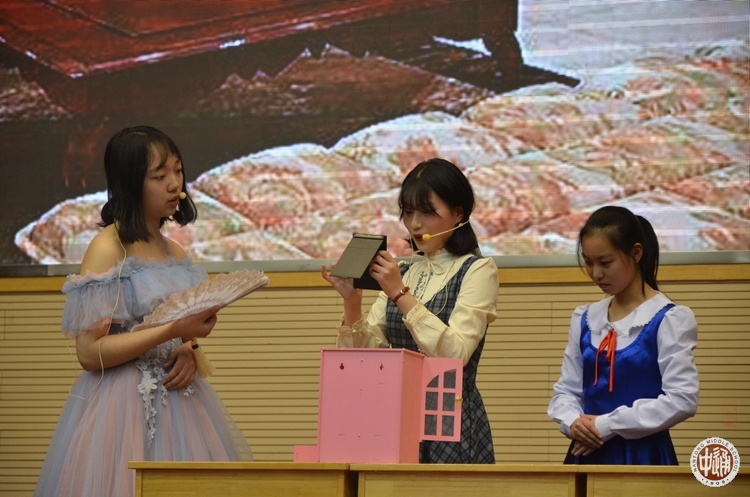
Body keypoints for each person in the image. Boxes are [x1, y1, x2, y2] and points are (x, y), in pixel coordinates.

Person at [34, 126, 252, 497]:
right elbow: (89, 353)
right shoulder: (108, 248)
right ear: (130, 182)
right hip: (120, 408)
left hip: (181, 403)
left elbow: (181, 335)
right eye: (159, 175)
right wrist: (172, 332)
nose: (174, 184)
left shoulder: (177, 253)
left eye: (178, 171)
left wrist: (189, 348)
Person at [321, 158, 498, 463]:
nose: (415, 224)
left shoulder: (478, 269)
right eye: (408, 212)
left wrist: (399, 293)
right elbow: (365, 360)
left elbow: (455, 355)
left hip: (450, 422)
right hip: (394, 421)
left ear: (458, 213)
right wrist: (352, 302)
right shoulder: (403, 271)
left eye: (427, 212)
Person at [547, 205, 699, 465]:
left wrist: (607, 424)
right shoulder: (585, 318)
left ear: (636, 253)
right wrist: (572, 422)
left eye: (605, 263)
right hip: (586, 452)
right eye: (588, 262)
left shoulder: (668, 318)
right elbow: (566, 390)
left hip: (644, 456)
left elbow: (682, 399)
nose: (596, 274)